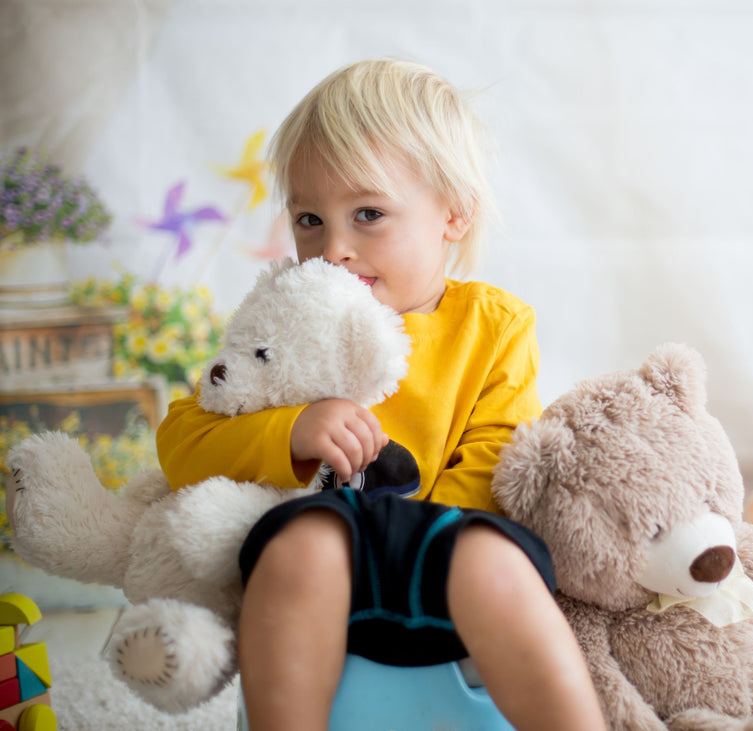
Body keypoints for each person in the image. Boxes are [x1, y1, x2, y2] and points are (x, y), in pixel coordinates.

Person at [156, 58, 606, 731]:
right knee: (300, 548)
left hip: (443, 551)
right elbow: (182, 444)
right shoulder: (289, 315)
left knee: (500, 561)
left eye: (368, 214)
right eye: (309, 219)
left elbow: (501, 462)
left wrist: (409, 542)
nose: (333, 248)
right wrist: (291, 432)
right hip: (325, 559)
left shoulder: (494, 325)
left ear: (453, 214)